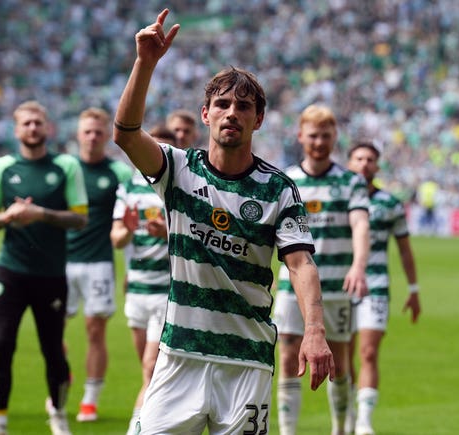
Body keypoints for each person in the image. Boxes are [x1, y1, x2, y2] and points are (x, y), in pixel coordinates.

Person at [112, 9, 334, 434]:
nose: (233, 112)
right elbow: (125, 134)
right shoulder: (178, 168)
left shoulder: (279, 189)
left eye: (244, 106)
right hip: (180, 356)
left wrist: (314, 331)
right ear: (206, 114)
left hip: (246, 362)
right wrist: (145, 63)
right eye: (223, 104)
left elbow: (301, 264)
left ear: (259, 119)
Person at [0, 100, 88, 435]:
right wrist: (7, 217)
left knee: (53, 349)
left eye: (38, 123)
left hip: (51, 273)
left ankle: (58, 414)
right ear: (16, 130)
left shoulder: (66, 165)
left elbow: (80, 217)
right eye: (26, 123)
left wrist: (40, 214)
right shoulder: (2, 168)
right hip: (10, 270)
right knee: (2, 344)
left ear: (48, 128)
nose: (32, 128)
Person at [273, 104, 370, 435]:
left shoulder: (350, 182)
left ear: (335, 138)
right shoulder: (287, 181)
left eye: (326, 136)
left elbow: (360, 224)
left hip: (336, 286)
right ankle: (288, 431)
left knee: (339, 361)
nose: (319, 142)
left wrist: (358, 265)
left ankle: (340, 429)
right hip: (292, 287)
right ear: (301, 136)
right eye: (313, 136)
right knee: (286, 356)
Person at [345, 140, 421, 435]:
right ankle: (348, 411)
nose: (364, 164)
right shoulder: (339, 198)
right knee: (344, 355)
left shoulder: (389, 204)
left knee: (367, 352)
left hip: (375, 285)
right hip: (341, 285)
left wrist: (413, 289)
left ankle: (364, 421)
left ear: (377, 166)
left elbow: (404, 250)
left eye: (370, 159)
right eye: (358, 158)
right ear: (350, 163)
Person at [63, 107, 132, 422]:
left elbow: (130, 222)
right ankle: (60, 378)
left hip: (98, 263)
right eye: (87, 131)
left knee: (95, 331)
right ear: (78, 134)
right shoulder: (65, 168)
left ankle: (89, 400)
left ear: (107, 136)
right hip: (60, 262)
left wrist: (130, 270)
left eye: (98, 132)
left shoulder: (119, 174)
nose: (92, 137)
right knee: (52, 330)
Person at [110, 124, 176, 435]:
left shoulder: (179, 187)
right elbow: (117, 239)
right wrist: (127, 228)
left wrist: (167, 231)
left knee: (152, 368)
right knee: (147, 372)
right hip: (136, 290)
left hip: (167, 291)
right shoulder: (130, 189)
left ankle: (136, 429)